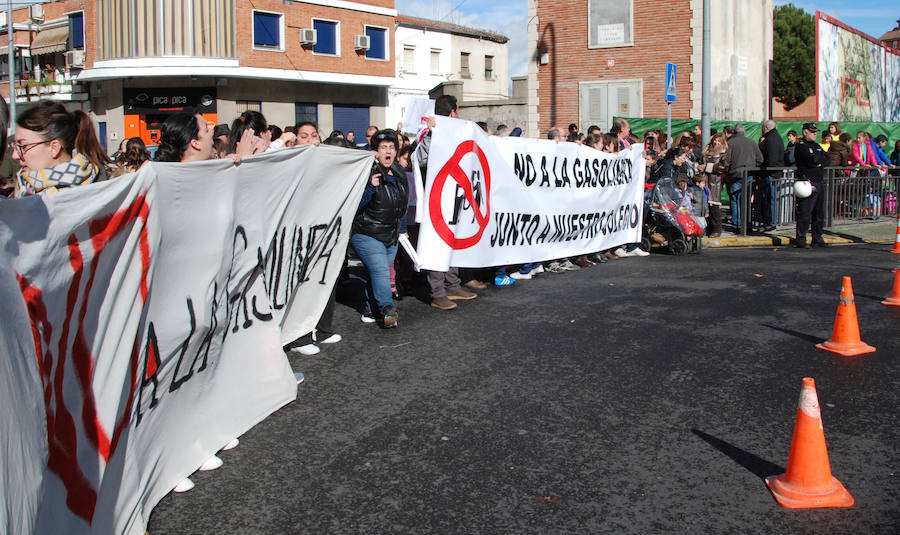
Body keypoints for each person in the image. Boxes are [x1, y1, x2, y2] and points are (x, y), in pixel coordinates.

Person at [415, 94, 479, 310]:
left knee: (454, 243)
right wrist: (433, 134)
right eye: (457, 111)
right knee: (438, 244)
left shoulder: (457, 133)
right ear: (452, 112)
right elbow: (420, 159)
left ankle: (453, 285)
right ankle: (437, 292)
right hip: (436, 199)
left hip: (455, 197)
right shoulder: (428, 133)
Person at [351, 130, 408, 327]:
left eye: (391, 147)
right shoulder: (367, 171)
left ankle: (369, 309)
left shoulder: (399, 172)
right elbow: (353, 205)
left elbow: (403, 204)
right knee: (381, 271)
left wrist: (403, 229)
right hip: (367, 233)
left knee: (375, 273)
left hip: (390, 235)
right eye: (383, 147)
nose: (388, 151)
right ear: (375, 151)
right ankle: (387, 308)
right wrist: (371, 187)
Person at [12, 101, 111, 197]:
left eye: (23, 146)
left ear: (54, 147)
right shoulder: (22, 191)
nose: (15, 155)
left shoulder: (103, 194)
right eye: (15, 147)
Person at [720, 123, 763, 232]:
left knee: (735, 199)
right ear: (744, 132)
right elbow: (760, 160)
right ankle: (747, 224)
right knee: (746, 200)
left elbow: (726, 161)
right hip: (749, 174)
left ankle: (737, 224)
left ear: (734, 132)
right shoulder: (752, 143)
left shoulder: (730, 143)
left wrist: (728, 170)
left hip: (735, 174)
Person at [793, 123, 829, 248]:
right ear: (805, 132)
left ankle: (817, 237)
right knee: (805, 212)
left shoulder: (816, 145)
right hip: (806, 182)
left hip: (818, 181)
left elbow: (827, 159)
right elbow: (812, 159)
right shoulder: (801, 146)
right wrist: (816, 160)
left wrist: (817, 160)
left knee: (819, 213)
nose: (815, 134)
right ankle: (801, 238)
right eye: (812, 131)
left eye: (815, 132)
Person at [757, 119, 784, 232]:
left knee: (770, 199)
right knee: (770, 199)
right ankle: (770, 221)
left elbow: (770, 158)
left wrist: (761, 144)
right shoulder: (776, 137)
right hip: (774, 172)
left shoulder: (770, 139)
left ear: (766, 128)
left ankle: (770, 222)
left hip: (770, 173)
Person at [702, 132, 728, 237]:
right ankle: (708, 229)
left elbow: (723, 167)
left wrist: (708, 167)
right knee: (706, 206)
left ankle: (717, 229)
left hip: (715, 182)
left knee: (714, 207)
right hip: (705, 181)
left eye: (719, 141)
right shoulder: (707, 151)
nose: (716, 143)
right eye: (715, 140)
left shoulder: (723, 153)